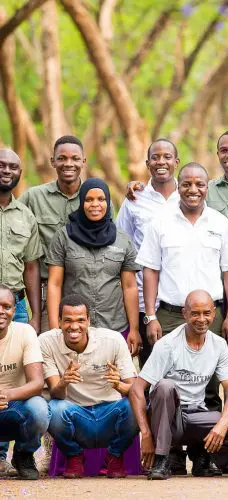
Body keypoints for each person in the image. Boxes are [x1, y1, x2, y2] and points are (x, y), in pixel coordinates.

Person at [129, 290, 228, 480]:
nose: (201, 319)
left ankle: (203, 456)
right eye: (195, 313)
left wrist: (223, 424)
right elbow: (136, 389)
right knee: (165, 386)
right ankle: (161, 459)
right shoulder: (167, 344)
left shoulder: (219, 345)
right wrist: (146, 434)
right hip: (168, 419)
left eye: (206, 313)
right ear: (184, 314)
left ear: (214, 313)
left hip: (197, 416)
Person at [136, 163, 228, 353]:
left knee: (210, 379)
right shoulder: (160, 223)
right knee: (166, 379)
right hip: (170, 316)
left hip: (212, 317)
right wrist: (151, 317)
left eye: (199, 184)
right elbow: (150, 271)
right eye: (186, 184)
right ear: (178, 188)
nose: (193, 190)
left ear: (207, 188)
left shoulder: (221, 224)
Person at [40, 294, 139, 478]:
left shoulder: (113, 340)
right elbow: (55, 392)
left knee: (135, 405)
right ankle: (74, 456)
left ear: (89, 321)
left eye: (80, 320)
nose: (74, 326)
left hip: (110, 412)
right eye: (68, 320)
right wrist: (63, 382)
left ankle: (114, 456)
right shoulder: (46, 342)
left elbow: (135, 391)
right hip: (75, 414)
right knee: (53, 408)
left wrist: (118, 385)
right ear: (59, 321)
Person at [46, 178, 141, 356]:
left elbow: (129, 287)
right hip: (74, 330)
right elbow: (54, 284)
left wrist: (134, 329)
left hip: (115, 327)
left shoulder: (122, 240)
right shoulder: (64, 237)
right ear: (81, 202)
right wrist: (55, 330)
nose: (95, 204)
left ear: (108, 202)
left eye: (101, 199)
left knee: (116, 381)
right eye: (89, 200)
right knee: (74, 381)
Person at [116, 139, 180, 366]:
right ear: (147, 163)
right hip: (145, 300)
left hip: (179, 299)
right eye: (155, 157)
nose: (161, 161)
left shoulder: (189, 197)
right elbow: (121, 245)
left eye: (167, 157)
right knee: (150, 366)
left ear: (176, 162)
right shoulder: (135, 199)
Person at [19, 135, 87, 333]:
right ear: (52, 161)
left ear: (83, 161)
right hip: (44, 291)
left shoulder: (94, 197)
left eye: (75, 159)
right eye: (62, 158)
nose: (68, 164)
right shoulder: (34, 197)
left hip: (85, 288)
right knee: (50, 347)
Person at [0, 285, 50, 480]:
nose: (1, 312)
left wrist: (6, 395)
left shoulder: (25, 332)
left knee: (39, 408)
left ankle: (23, 455)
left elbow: (37, 383)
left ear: (14, 309)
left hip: (14, 406)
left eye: (6, 306)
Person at [0, 148, 42, 332]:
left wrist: (36, 316)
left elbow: (31, 267)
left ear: (20, 173)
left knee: (17, 360)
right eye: (1, 165)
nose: (7, 170)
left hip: (16, 306)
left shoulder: (26, 216)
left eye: (13, 167)